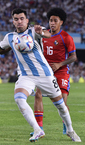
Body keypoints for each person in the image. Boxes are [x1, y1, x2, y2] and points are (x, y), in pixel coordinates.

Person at [0, 8, 81, 142]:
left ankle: (70, 130)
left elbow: (48, 34)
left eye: (22, 19)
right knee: (19, 98)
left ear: (27, 20)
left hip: (45, 74)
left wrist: (41, 31)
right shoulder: (10, 37)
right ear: (13, 21)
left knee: (60, 105)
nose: (19, 21)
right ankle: (37, 129)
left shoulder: (34, 31)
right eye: (16, 19)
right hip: (26, 75)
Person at [30, 7, 77, 136]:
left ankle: (66, 126)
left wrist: (59, 64)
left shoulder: (66, 37)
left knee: (61, 102)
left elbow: (74, 57)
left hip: (61, 71)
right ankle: (39, 128)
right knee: (38, 95)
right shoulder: (42, 34)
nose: (52, 23)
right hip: (45, 72)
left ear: (61, 22)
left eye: (55, 20)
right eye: (51, 20)